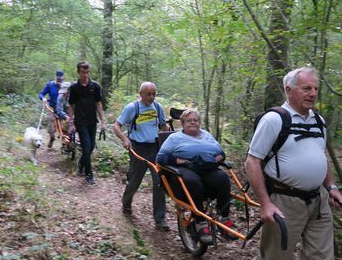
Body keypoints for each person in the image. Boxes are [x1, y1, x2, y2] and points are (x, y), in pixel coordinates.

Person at [240, 66, 342, 260]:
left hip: (319, 201)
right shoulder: (275, 120)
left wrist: (331, 187)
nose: (312, 94)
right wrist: (264, 204)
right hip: (285, 201)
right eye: (306, 88)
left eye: (315, 89)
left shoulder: (318, 121)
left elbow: (321, 157)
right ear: (289, 90)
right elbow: (253, 161)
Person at [156, 109, 234, 244]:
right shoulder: (174, 138)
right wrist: (182, 161)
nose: (193, 122)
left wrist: (219, 157)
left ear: (199, 123)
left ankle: (223, 218)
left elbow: (221, 152)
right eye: (189, 120)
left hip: (207, 168)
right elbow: (161, 158)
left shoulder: (207, 135)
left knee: (223, 178)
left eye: (195, 120)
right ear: (183, 123)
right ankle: (200, 222)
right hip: (186, 169)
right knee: (193, 181)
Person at [113, 82, 170, 231]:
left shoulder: (158, 107)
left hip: (155, 148)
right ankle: (126, 203)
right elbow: (116, 125)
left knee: (160, 182)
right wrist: (125, 139)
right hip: (138, 148)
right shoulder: (133, 108)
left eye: (154, 94)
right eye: (148, 94)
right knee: (134, 181)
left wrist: (169, 140)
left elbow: (163, 127)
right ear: (141, 94)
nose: (151, 97)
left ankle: (160, 219)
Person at [67, 61, 106, 185]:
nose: (85, 75)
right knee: (86, 147)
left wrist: (103, 121)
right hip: (80, 121)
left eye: (87, 72)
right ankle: (89, 175)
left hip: (92, 121)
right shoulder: (74, 88)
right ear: (78, 72)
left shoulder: (95, 86)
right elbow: (71, 105)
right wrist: (71, 121)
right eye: (83, 72)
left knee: (91, 147)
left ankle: (81, 163)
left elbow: (98, 104)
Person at [39, 70, 65, 148]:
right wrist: (43, 98)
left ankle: (65, 144)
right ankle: (52, 138)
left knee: (63, 127)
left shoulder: (66, 86)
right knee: (51, 128)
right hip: (52, 108)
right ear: (55, 78)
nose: (59, 80)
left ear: (63, 78)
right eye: (58, 79)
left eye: (61, 79)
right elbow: (41, 94)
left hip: (63, 109)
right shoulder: (50, 85)